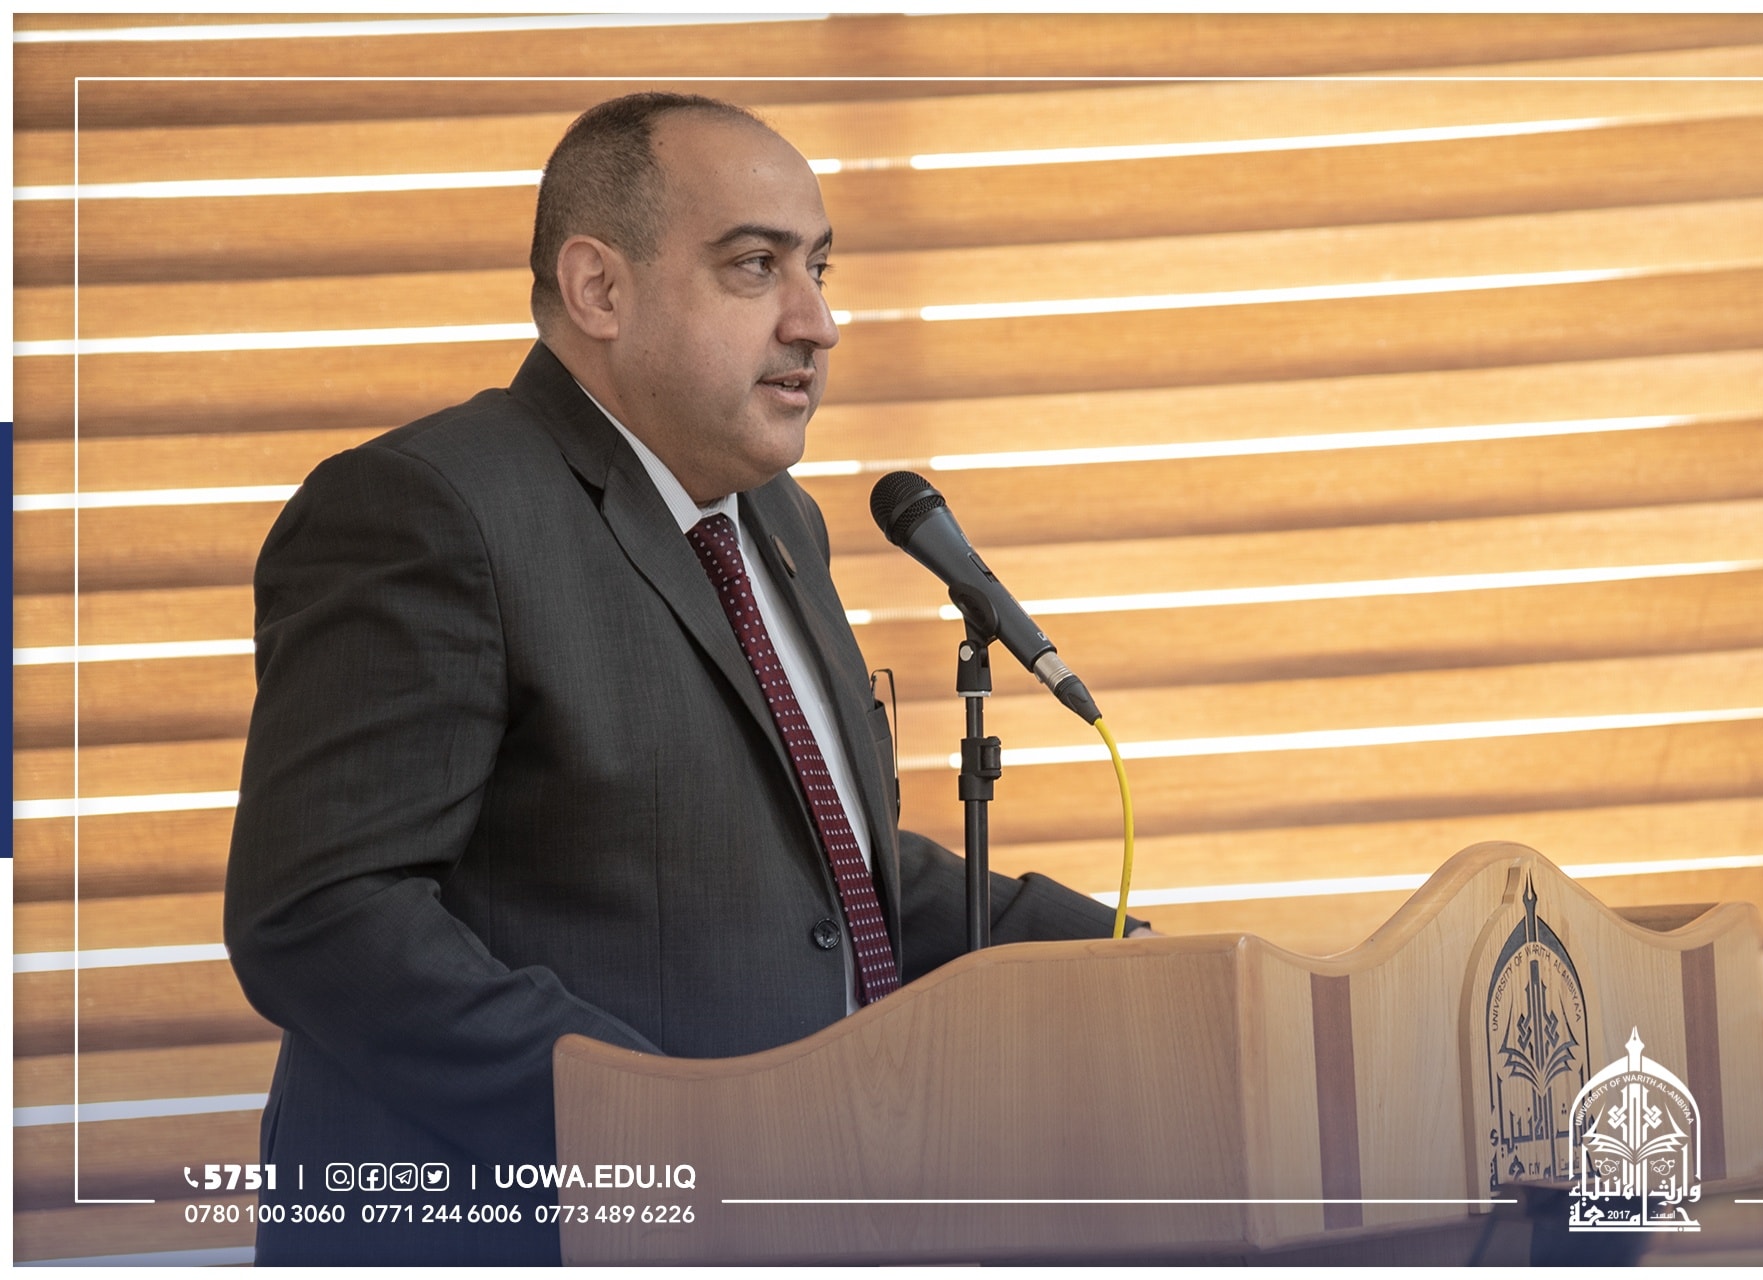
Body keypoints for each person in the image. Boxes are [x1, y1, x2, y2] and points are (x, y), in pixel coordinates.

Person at [223, 92, 1140, 1266]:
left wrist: (1152, 964)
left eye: (819, 267)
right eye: (756, 265)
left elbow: (830, 874)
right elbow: (323, 916)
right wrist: (660, 1138)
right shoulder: (429, 508)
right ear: (600, 289)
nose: (818, 322)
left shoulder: (776, 520)